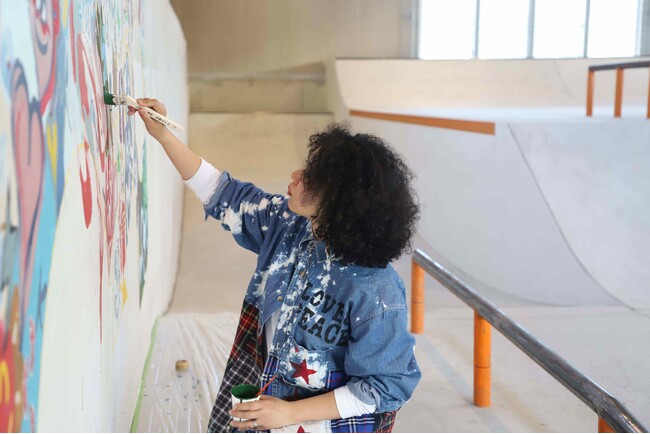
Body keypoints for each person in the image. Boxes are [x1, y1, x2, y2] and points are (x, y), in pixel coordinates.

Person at [130, 99, 421, 433]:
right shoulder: (289, 225)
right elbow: (223, 194)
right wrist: (164, 136)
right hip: (267, 395)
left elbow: (383, 387)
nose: (295, 176)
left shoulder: (376, 291)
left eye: (310, 177)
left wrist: (289, 414)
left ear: (340, 202)